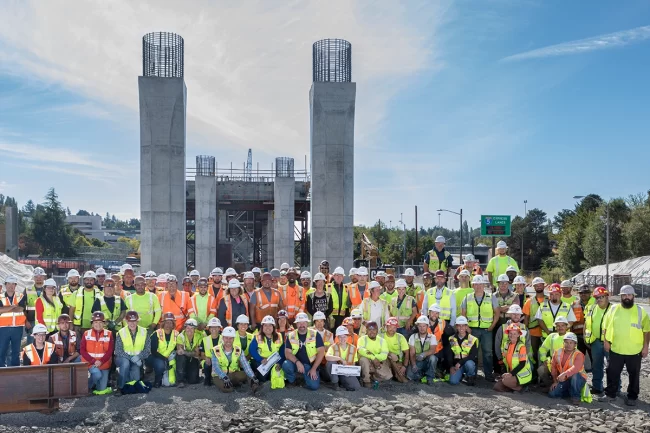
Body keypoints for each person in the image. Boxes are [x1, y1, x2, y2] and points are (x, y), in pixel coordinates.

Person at [600, 285, 650, 406]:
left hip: (634, 351)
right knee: (612, 373)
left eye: (629, 295)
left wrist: (645, 347)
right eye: (624, 295)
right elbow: (605, 326)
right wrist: (606, 341)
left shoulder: (640, 311)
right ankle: (610, 394)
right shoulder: (613, 309)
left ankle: (632, 396)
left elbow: (647, 331)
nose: (626, 297)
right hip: (616, 348)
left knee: (634, 375)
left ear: (633, 296)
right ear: (620, 296)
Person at [461, 274, 499, 381]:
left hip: (487, 330)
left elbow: (497, 312)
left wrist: (492, 326)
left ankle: (488, 375)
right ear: (473, 285)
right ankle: (472, 374)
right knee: (473, 352)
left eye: (481, 284)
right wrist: (467, 328)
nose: (478, 286)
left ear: (484, 285)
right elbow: (463, 314)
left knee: (488, 353)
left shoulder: (491, 297)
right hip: (472, 330)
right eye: (476, 284)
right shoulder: (467, 298)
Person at [211, 326, 260, 393]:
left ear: (234, 339)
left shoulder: (238, 350)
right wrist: (224, 377)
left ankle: (255, 387)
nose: (228, 340)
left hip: (233, 374)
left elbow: (245, 365)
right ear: (223, 338)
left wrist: (252, 376)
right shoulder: (216, 350)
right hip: (219, 376)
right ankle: (233, 384)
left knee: (248, 375)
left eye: (231, 338)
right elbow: (215, 367)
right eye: (226, 338)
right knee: (228, 389)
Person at [283, 312, 325, 390]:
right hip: (295, 364)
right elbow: (287, 353)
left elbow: (321, 352)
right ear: (296, 324)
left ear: (307, 323)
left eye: (304, 322)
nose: (301, 325)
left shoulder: (315, 334)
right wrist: (297, 362)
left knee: (314, 386)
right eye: (299, 323)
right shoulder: (291, 335)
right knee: (286, 365)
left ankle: (303, 380)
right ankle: (292, 381)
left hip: (310, 365)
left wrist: (314, 369)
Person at [584, 286, 611, 396]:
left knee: (612, 367)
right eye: (597, 297)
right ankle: (597, 387)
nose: (599, 299)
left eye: (602, 297)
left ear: (607, 297)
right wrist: (586, 338)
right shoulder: (592, 308)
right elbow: (587, 322)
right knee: (596, 366)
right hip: (595, 341)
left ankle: (614, 388)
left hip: (610, 342)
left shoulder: (613, 309)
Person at [549, 332, 589, 405]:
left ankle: (576, 397)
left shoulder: (579, 354)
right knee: (552, 394)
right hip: (564, 379)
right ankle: (570, 391)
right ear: (563, 343)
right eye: (566, 342)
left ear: (575, 344)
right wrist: (555, 381)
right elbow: (553, 367)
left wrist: (564, 374)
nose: (568, 345)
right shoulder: (557, 352)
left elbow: (575, 368)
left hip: (578, 379)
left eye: (571, 343)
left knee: (575, 376)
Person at [114, 311, 151, 390]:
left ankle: (128, 384)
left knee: (135, 379)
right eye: (130, 321)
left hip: (137, 360)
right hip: (123, 358)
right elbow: (118, 350)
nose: (132, 324)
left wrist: (139, 357)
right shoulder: (121, 332)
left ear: (137, 321)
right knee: (125, 364)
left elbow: (147, 349)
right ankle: (120, 387)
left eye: (134, 321)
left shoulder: (144, 332)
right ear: (126, 321)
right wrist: (130, 358)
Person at [81, 312, 114, 394]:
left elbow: (110, 351)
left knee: (101, 389)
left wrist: (101, 361)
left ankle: (95, 384)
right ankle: (87, 387)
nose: (98, 324)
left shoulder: (109, 334)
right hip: (91, 363)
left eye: (100, 322)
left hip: (104, 364)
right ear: (92, 324)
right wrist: (93, 361)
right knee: (97, 375)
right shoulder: (86, 334)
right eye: (95, 322)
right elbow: (82, 350)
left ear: (104, 323)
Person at [494, 323, 532, 393]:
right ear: (508, 334)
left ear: (518, 335)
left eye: (514, 333)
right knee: (497, 387)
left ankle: (521, 388)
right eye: (510, 333)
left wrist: (510, 374)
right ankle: (513, 388)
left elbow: (522, 364)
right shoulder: (507, 345)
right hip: (512, 373)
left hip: (522, 375)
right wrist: (505, 373)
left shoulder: (521, 347)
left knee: (505, 381)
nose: (512, 335)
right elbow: (506, 361)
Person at [0, 275, 27, 367]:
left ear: (15, 285)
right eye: (9, 284)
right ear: (5, 285)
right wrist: (12, 307)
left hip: (17, 328)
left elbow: (20, 309)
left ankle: (15, 369)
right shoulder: (0, 297)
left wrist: (5, 308)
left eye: (13, 284)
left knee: (15, 351)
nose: (11, 286)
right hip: (3, 328)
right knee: (2, 350)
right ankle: (1, 369)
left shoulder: (21, 296)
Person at [494, 305, 531, 372]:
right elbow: (497, 344)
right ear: (510, 314)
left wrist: (524, 357)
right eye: (514, 314)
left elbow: (527, 344)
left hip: (520, 361)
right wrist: (500, 359)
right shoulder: (502, 328)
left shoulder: (524, 328)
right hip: (505, 361)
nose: (516, 316)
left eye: (518, 314)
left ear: (520, 315)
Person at [146, 312, 179, 387]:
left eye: (170, 323)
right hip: (157, 357)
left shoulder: (176, 334)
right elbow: (153, 351)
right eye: (166, 323)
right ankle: (157, 380)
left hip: (170, 358)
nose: (168, 325)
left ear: (173, 324)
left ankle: (178, 378)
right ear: (163, 323)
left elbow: (178, 348)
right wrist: (164, 359)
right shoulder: (156, 333)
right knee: (160, 365)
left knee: (168, 382)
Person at [248, 315, 285, 382]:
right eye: (265, 325)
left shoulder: (279, 336)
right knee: (263, 379)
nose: (268, 327)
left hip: (274, 361)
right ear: (262, 327)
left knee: (276, 376)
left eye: (270, 325)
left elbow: (282, 350)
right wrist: (260, 359)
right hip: (261, 362)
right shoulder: (257, 337)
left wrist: (280, 363)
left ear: (273, 327)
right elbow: (252, 350)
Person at [537, 316, 570, 388]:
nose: (560, 327)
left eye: (562, 325)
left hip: (566, 364)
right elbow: (542, 349)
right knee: (541, 370)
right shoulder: (552, 336)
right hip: (553, 362)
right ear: (555, 327)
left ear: (566, 326)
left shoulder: (570, 337)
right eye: (558, 325)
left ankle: (563, 387)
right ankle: (550, 386)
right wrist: (544, 359)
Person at [357, 321, 391, 387]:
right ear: (366, 331)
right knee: (363, 359)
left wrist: (375, 358)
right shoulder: (362, 339)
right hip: (367, 360)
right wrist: (373, 358)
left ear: (377, 330)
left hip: (378, 361)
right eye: (369, 330)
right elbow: (360, 350)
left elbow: (384, 355)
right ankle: (366, 380)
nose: (372, 332)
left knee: (387, 376)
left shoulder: (382, 341)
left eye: (374, 329)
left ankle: (373, 376)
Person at [326, 325, 360, 391]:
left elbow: (353, 363)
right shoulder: (333, 347)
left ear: (347, 337)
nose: (342, 339)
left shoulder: (353, 348)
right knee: (330, 362)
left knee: (356, 387)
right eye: (340, 337)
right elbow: (327, 357)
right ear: (337, 337)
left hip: (346, 371)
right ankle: (335, 383)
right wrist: (340, 359)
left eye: (344, 337)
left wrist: (349, 372)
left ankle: (342, 381)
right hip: (335, 372)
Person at [523, 276, 547, 368]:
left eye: (541, 285)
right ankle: (535, 373)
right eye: (537, 285)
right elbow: (526, 318)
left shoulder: (549, 300)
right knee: (533, 353)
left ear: (544, 286)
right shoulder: (529, 302)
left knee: (546, 353)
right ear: (533, 287)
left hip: (546, 332)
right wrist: (525, 333)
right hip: (533, 333)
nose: (539, 287)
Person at [406, 315, 439, 384]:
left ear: (427, 326)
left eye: (424, 326)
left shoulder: (432, 337)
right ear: (417, 326)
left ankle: (430, 378)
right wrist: (414, 365)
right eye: (420, 326)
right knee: (409, 375)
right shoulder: (413, 337)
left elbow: (432, 350)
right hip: (417, 361)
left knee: (433, 358)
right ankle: (421, 374)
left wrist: (423, 354)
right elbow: (412, 353)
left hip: (427, 361)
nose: (422, 328)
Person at [448, 316, 478, 385]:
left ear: (466, 327)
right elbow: (449, 354)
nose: (461, 328)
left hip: (467, 363)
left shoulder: (473, 339)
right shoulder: (451, 339)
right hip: (456, 365)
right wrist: (451, 366)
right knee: (453, 382)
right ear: (456, 327)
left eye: (463, 326)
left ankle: (470, 376)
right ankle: (461, 376)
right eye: (459, 326)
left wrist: (461, 362)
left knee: (470, 364)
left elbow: (473, 356)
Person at [176, 319, 202, 386]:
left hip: (193, 359)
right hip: (185, 358)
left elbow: (197, 353)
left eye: (192, 328)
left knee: (193, 381)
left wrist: (185, 352)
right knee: (180, 357)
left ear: (195, 329)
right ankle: (180, 380)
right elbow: (179, 352)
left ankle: (187, 374)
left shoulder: (199, 335)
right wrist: (191, 353)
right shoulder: (180, 336)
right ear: (185, 328)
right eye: (187, 328)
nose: (189, 330)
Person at [383, 317, 409, 383]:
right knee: (392, 357)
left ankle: (398, 375)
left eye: (394, 327)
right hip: (384, 360)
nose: (392, 329)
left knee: (399, 374)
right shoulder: (381, 336)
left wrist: (404, 366)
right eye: (390, 327)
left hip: (398, 361)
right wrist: (390, 353)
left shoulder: (400, 337)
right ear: (386, 326)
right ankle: (401, 377)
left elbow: (406, 352)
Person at [200, 317, 222, 386]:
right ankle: (208, 379)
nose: (214, 329)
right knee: (207, 364)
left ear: (219, 328)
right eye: (212, 327)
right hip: (209, 360)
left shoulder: (224, 339)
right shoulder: (204, 340)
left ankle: (218, 378)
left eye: (216, 327)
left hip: (221, 360)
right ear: (209, 329)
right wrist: (206, 358)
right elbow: (202, 354)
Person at [574, 285, 594, 358]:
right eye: (581, 293)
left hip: (592, 336)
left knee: (594, 359)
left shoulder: (595, 304)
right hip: (578, 336)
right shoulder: (574, 305)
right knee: (578, 359)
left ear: (590, 293)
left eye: (586, 292)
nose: (583, 294)